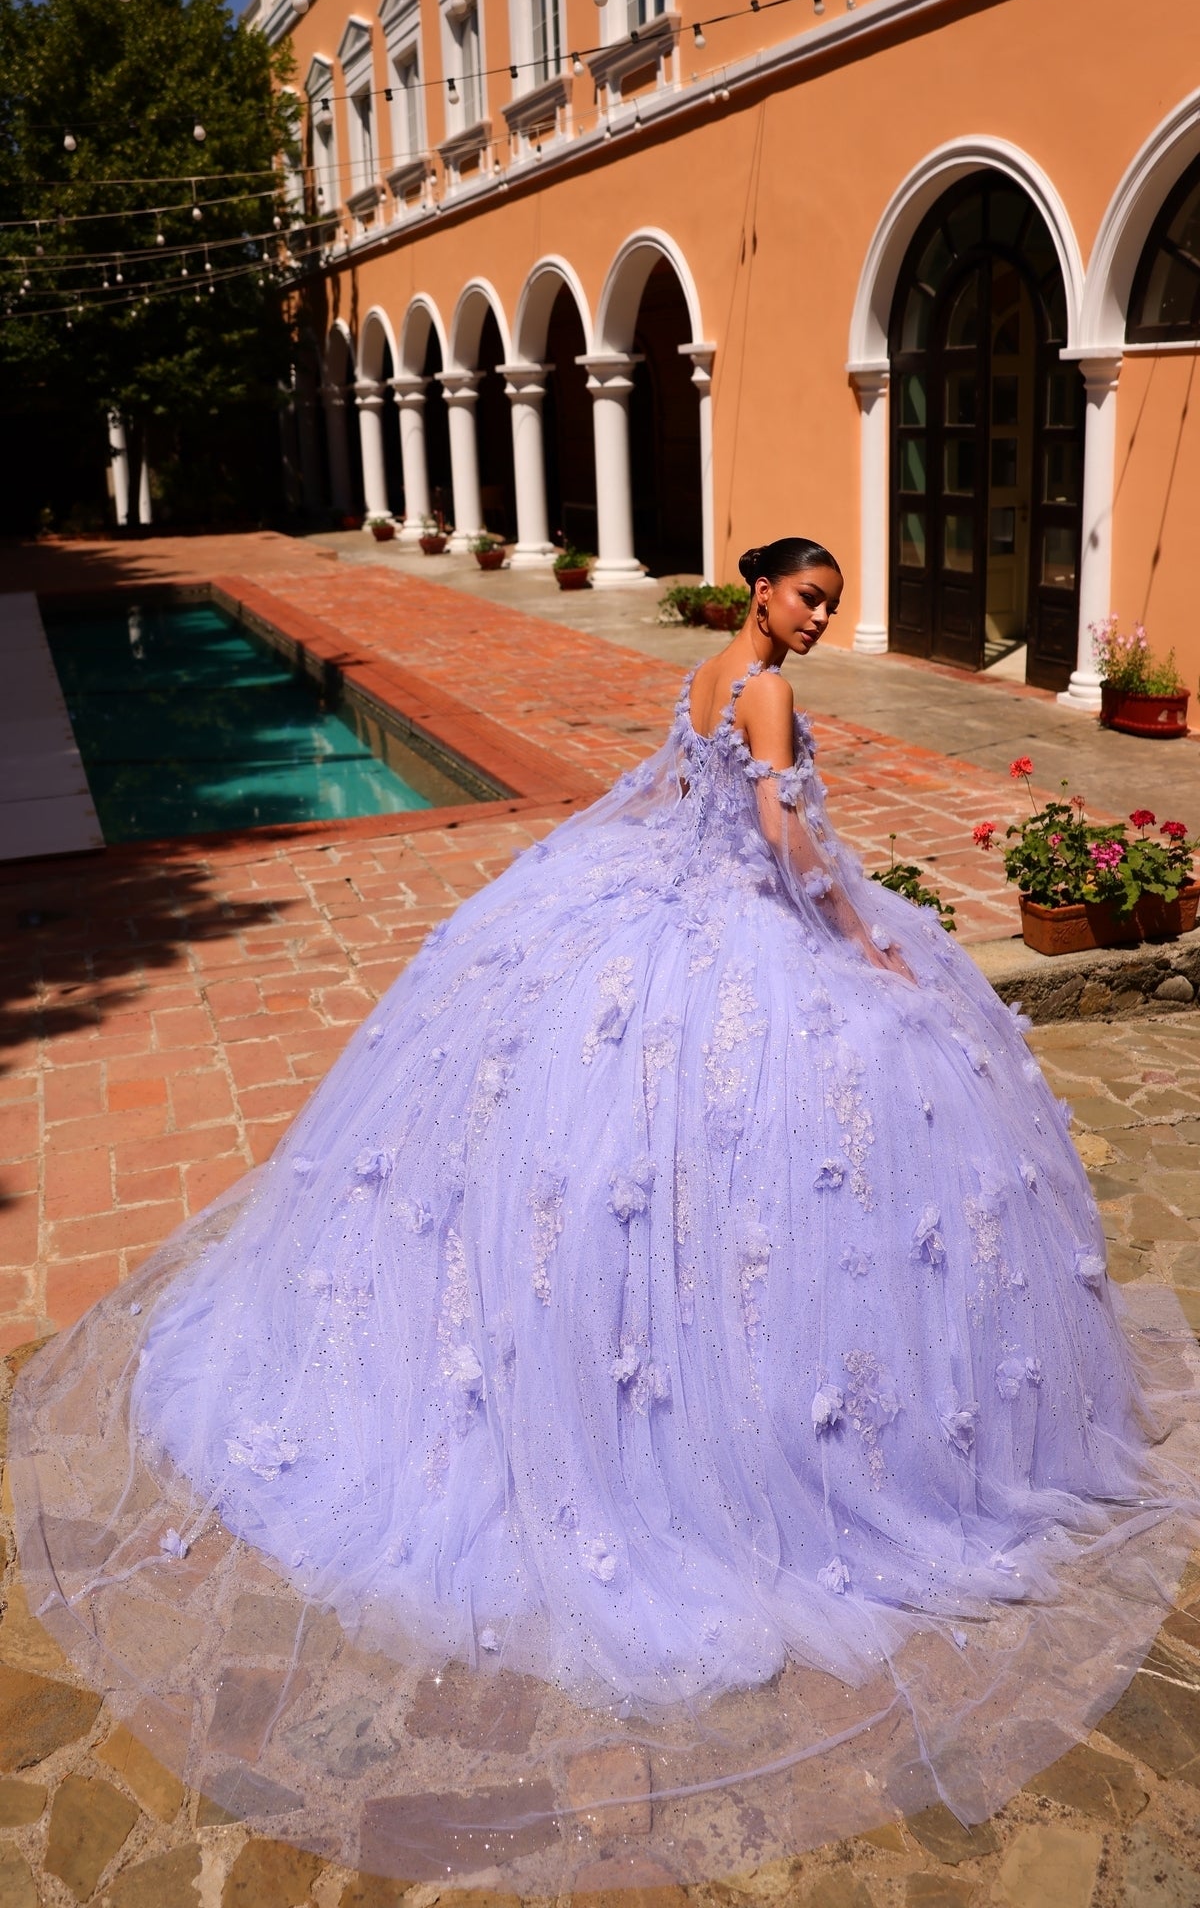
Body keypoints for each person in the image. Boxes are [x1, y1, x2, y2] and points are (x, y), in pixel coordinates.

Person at [11, 538, 1200, 1891]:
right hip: (747, 925)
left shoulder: (706, 671)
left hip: (670, 913)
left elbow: (671, 802)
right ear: (763, 589)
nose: (819, 618)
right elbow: (775, 824)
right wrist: (855, 932)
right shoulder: (758, 691)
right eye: (808, 597)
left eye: (832, 605)